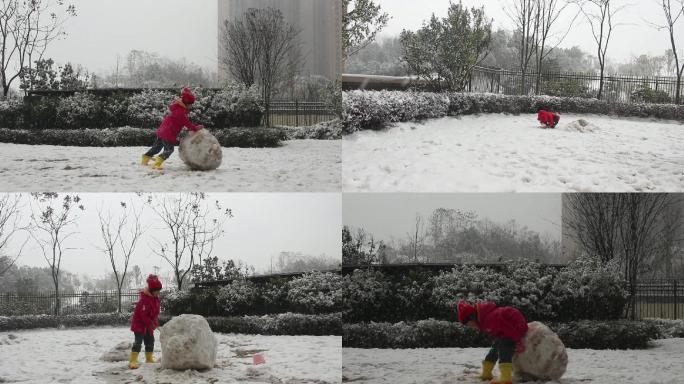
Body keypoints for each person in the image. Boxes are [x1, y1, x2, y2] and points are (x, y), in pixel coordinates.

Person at [458, 300, 528, 384]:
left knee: (504, 348)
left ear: (472, 317)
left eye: (469, 324)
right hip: (506, 332)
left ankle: (506, 377)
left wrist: (518, 340)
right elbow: (499, 331)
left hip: (517, 327)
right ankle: (486, 373)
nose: (471, 327)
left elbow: (508, 328)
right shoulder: (483, 321)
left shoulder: (490, 318)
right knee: (494, 348)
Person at [142, 87, 203, 170]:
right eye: (190, 104)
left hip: (162, 131)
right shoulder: (181, 112)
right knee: (169, 150)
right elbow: (188, 124)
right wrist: (196, 128)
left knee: (156, 147)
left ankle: (145, 158)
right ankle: (157, 163)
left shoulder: (177, 109)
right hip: (168, 133)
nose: (191, 106)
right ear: (186, 103)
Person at [128, 274, 162, 369]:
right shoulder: (145, 299)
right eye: (157, 291)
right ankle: (133, 360)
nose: (158, 293)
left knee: (150, 340)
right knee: (138, 342)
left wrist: (155, 322)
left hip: (148, 325)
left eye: (159, 291)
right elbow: (143, 315)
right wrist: (151, 324)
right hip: (139, 324)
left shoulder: (156, 299)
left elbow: (155, 313)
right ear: (152, 290)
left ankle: (149, 358)